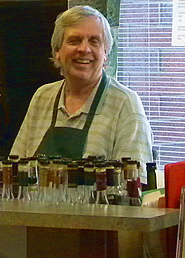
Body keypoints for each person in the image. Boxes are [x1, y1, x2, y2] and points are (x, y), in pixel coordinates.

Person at [10, 5, 153, 181]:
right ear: (57, 52)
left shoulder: (125, 103)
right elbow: (14, 170)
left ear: (105, 53)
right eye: (74, 40)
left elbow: (134, 183)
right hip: (35, 208)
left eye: (94, 41)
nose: (84, 49)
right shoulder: (42, 97)